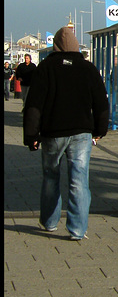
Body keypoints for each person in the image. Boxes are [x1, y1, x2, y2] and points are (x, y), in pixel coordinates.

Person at [23, 27, 109, 240]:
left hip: (52, 132)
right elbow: (101, 103)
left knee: (51, 176)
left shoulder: (45, 68)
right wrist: (100, 131)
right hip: (81, 132)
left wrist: (31, 136)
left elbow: (33, 105)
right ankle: (78, 229)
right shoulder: (88, 69)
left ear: (56, 46)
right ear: (76, 45)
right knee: (79, 179)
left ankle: (50, 222)